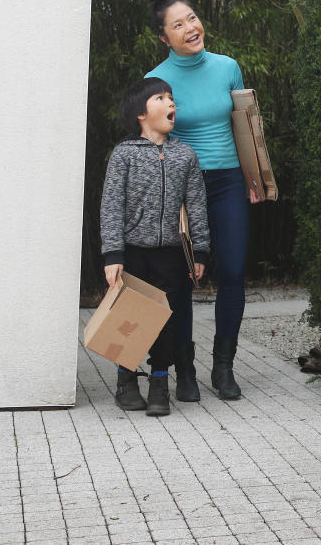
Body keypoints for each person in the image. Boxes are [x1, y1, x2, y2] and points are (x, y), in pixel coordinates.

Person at [146, 0, 259, 402]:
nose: (191, 28)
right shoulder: (155, 82)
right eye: (178, 24)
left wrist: (254, 178)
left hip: (229, 180)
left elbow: (244, 128)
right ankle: (186, 368)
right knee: (181, 278)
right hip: (181, 187)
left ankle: (224, 365)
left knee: (231, 271)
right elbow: (154, 142)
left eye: (192, 18)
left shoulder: (228, 67)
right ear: (164, 37)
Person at [100, 77, 209, 416]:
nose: (169, 103)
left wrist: (200, 251)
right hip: (133, 250)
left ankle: (160, 381)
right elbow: (111, 205)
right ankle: (126, 380)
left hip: (172, 253)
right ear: (140, 114)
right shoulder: (124, 155)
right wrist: (112, 253)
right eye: (160, 98)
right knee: (131, 319)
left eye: (171, 97)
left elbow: (197, 204)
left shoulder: (184, 155)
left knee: (166, 319)